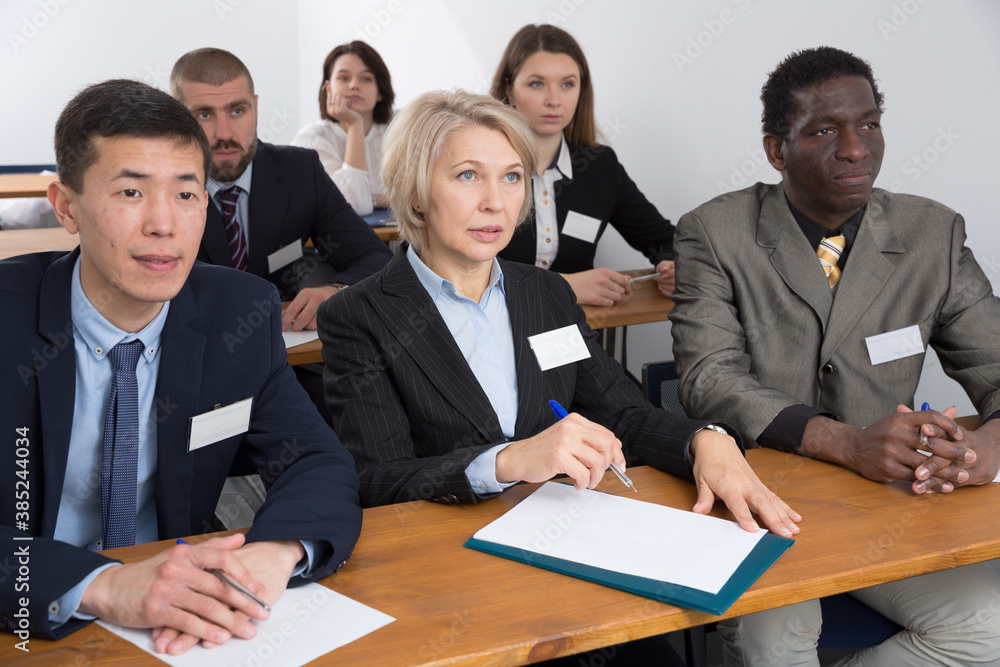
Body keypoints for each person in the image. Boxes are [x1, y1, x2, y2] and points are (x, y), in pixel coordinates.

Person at [317, 89, 801, 545]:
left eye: (511, 177)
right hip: (450, 552)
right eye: (467, 175)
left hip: (564, 530)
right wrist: (506, 461)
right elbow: (378, 480)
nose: (495, 202)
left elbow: (622, 414)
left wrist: (705, 439)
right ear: (416, 194)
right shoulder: (358, 315)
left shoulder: (545, 293)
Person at [0, 79, 362, 656]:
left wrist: (273, 554)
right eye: (131, 192)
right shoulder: (8, 317)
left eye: (187, 194)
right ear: (66, 206)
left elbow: (316, 460)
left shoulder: (238, 313)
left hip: (180, 618)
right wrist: (103, 584)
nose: (164, 225)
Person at [670, 46, 1000, 665]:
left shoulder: (933, 233)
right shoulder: (714, 232)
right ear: (777, 150)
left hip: (888, 504)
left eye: (869, 124)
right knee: (775, 645)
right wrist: (844, 442)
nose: (855, 149)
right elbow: (708, 378)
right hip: (763, 500)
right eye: (825, 131)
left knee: (990, 627)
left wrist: (989, 447)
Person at [169, 47, 391, 332]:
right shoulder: (154, 185)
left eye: (237, 111)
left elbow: (375, 257)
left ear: (255, 107)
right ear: (177, 116)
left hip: (281, 340)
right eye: (203, 114)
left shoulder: (300, 170)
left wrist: (336, 290)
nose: (225, 134)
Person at [490, 24, 675, 307]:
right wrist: (566, 286)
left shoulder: (599, 166)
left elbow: (665, 241)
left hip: (577, 329)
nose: (554, 100)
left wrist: (674, 266)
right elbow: (459, 271)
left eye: (567, 84)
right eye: (537, 84)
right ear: (509, 89)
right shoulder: (481, 168)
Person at [291, 40, 393, 217]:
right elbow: (353, 205)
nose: (354, 85)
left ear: (380, 92)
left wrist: (371, 198)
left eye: (366, 79)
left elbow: (424, 195)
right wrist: (354, 125)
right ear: (329, 89)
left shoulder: (399, 130)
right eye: (344, 78)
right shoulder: (312, 140)